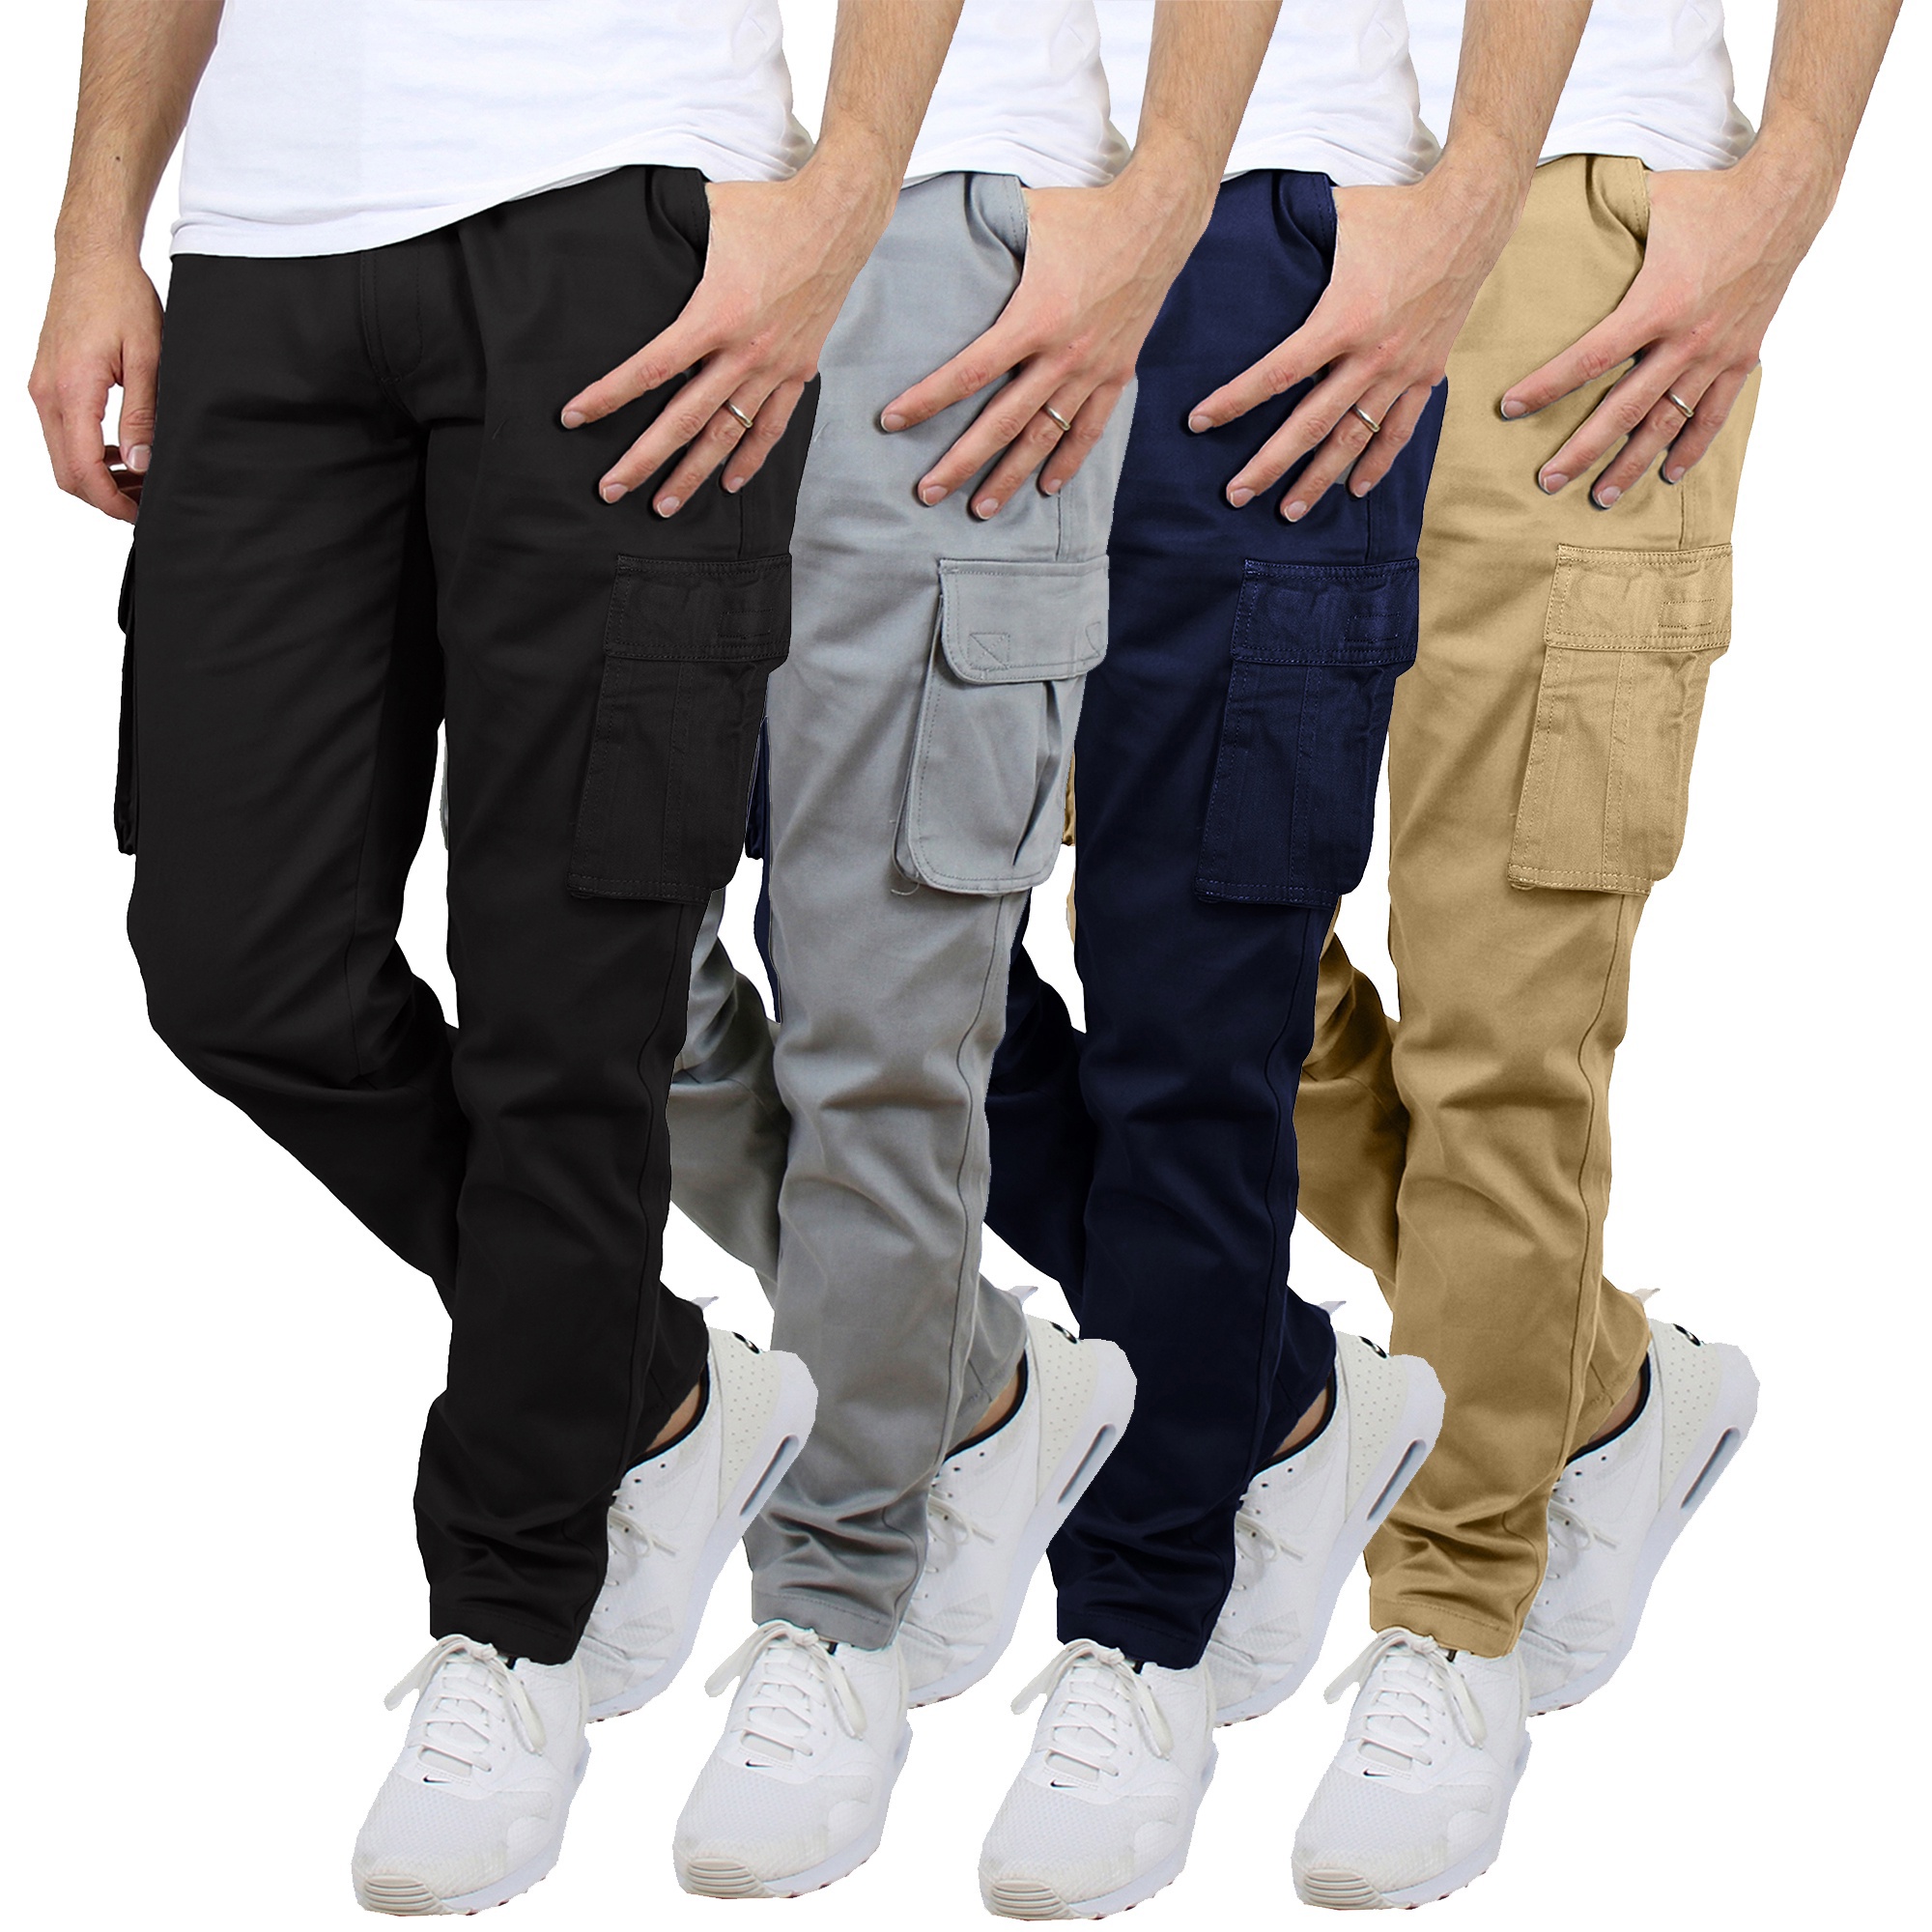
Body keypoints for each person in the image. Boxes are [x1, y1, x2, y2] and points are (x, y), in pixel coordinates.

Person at [27, 0, 980, 1914]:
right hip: (273, 254)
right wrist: (93, 229)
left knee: (570, 1004)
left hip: (622, 226)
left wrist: (840, 206)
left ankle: (512, 1629)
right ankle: (649, 1377)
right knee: (237, 966)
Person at [622, 0, 1295, 1900]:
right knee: (592, 988)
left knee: (890, 1015)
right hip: (605, 215)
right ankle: (986, 1381)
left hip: (952, 234)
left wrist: (1158, 201)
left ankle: (835, 1607)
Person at [974, 0, 1609, 1914]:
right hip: (922, 223)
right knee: (858, 953)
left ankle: (1144, 1633)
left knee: (1202, 999)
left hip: (1276, 233)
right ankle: (1274, 1386)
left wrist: (1469, 196)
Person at [1277, 0, 1900, 1909]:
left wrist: (1782, 189)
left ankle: (1452, 1618)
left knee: (1502, 1018)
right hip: (1223, 218)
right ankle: (1606, 1385)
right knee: (1178, 964)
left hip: (1575, 240)